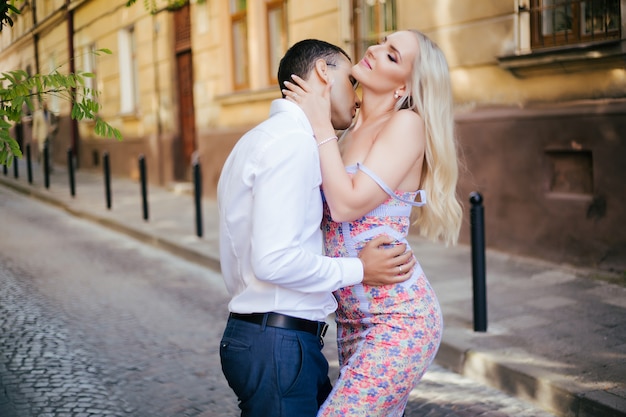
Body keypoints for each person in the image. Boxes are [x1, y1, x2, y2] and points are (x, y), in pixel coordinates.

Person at [217, 39, 417, 417]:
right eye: (351, 82)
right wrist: (360, 269)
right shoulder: (292, 143)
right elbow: (274, 261)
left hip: (270, 338)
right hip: (277, 342)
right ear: (324, 73)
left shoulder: (259, 138)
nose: (356, 97)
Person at [283, 30, 463, 416]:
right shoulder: (346, 133)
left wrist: (319, 124)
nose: (374, 50)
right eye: (382, 42)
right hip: (351, 320)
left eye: (392, 55)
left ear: (405, 86)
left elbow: (346, 205)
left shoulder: (405, 126)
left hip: (400, 321)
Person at [32, 101, 56, 172]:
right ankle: (44, 168)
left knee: (50, 152)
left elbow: (55, 123)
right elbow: (35, 126)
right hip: (41, 136)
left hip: (49, 135)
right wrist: (34, 135)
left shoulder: (50, 113)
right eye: (43, 105)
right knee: (42, 152)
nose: (45, 106)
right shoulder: (37, 114)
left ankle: (50, 167)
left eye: (46, 104)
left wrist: (53, 128)